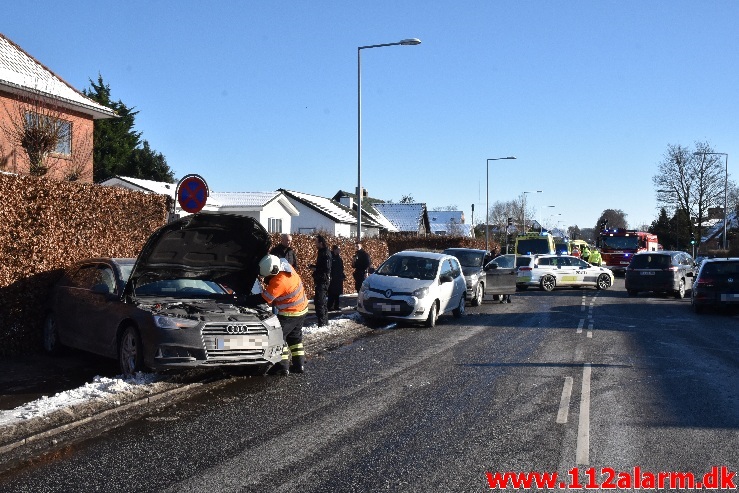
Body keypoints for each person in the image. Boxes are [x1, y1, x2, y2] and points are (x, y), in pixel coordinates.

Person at [244, 254, 308, 375]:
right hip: (302, 309)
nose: (266, 279)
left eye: (267, 276)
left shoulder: (279, 282)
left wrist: (246, 300)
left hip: (289, 314)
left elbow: (265, 298)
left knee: (279, 338)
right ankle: (299, 365)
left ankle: (282, 367)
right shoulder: (286, 266)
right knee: (295, 339)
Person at [310, 235, 331, 326]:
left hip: (323, 280)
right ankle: (323, 321)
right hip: (321, 279)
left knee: (320, 301)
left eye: (316, 242)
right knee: (320, 301)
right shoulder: (321, 252)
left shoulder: (325, 253)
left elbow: (326, 268)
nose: (315, 244)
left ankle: (322, 322)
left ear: (321, 243)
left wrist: (315, 269)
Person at [328, 244, 345, 311]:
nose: (339, 250)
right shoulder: (331, 257)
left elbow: (341, 268)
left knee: (337, 293)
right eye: (338, 249)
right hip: (332, 278)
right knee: (331, 293)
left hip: (338, 278)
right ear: (334, 250)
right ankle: (329, 306)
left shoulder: (339, 258)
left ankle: (336, 306)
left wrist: (343, 275)